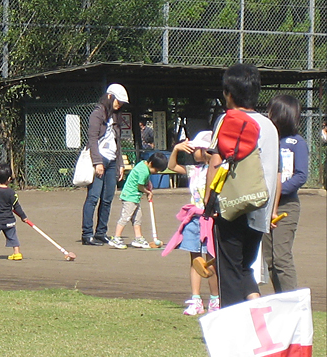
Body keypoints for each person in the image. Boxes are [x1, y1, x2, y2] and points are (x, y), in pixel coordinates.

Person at [205, 64, 279, 308]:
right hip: (260, 208)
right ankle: (257, 320)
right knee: (244, 267)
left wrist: (208, 203)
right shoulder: (270, 126)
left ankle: (234, 332)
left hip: (232, 207)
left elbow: (216, 162)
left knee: (228, 271)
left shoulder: (229, 120)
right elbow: (275, 172)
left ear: (229, 93)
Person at [163, 131, 219, 315]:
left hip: (211, 219)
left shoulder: (219, 169)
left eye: (195, 148)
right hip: (194, 219)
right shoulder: (194, 170)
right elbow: (171, 166)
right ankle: (196, 300)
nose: (192, 151)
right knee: (195, 259)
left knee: (211, 261)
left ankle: (215, 300)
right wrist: (176, 149)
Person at [262, 95, 308, 293]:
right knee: (268, 259)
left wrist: (278, 192)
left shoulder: (296, 143)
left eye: (271, 110)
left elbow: (301, 176)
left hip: (286, 207)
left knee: (281, 257)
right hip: (264, 205)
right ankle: (279, 299)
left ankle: (291, 303)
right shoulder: (266, 140)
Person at [81, 83, 128, 246]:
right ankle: (87, 234)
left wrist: (120, 163)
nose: (119, 104)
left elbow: (117, 142)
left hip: (112, 160)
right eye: (118, 101)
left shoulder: (115, 116)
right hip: (99, 160)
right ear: (110, 96)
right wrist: (97, 162)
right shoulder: (97, 114)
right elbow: (92, 139)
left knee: (107, 198)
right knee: (93, 197)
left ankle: (101, 232)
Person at [109, 152, 168, 250]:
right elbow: (140, 186)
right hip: (130, 197)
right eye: (156, 170)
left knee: (137, 218)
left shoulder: (144, 165)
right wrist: (148, 192)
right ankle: (116, 238)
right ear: (151, 163)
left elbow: (144, 180)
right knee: (125, 217)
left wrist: (148, 183)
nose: (155, 172)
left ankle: (138, 238)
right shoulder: (143, 171)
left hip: (135, 197)